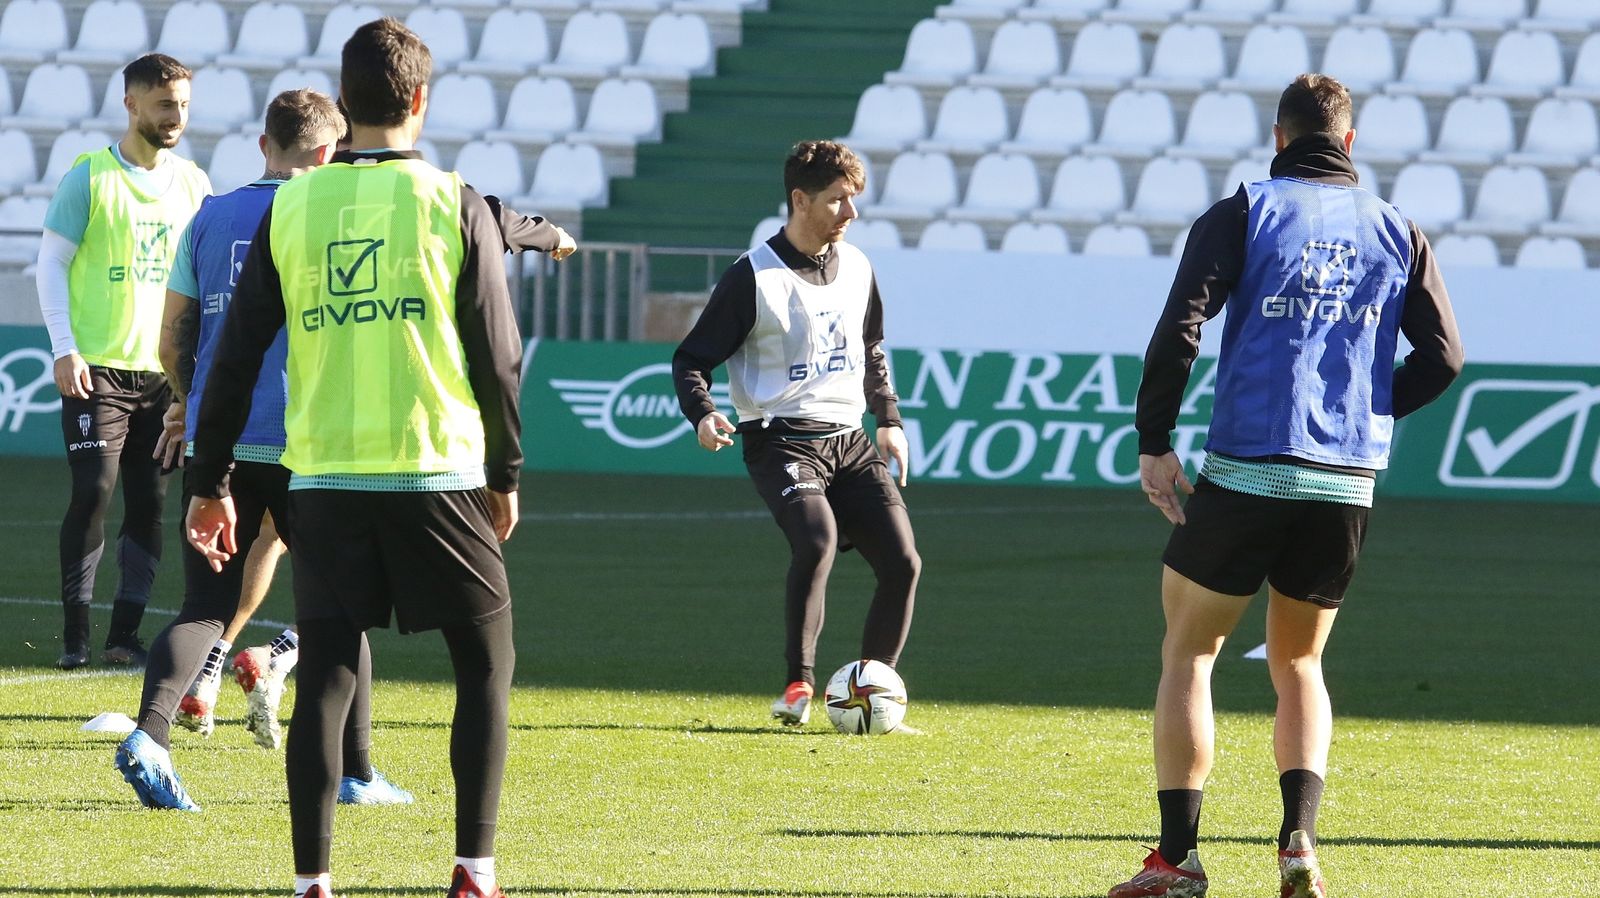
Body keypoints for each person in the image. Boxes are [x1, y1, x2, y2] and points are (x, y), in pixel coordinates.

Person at [185, 18, 523, 898]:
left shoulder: (292, 204)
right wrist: (505, 473)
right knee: (484, 665)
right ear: (419, 99)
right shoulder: (456, 201)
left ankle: (312, 881)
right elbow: (499, 354)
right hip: (436, 469)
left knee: (329, 669)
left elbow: (233, 356)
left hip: (325, 477)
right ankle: (473, 870)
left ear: (347, 105)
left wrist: (209, 480)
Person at [1111, 73, 1464, 898]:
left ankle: (1177, 858)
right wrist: (1373, 408)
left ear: (1278, 139)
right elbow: (1446, 356)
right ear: (1348, 144)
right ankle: (1298, 843)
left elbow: (1182, 327)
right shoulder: (1396, 228)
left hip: (1246, 466)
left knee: (1191, 651)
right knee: (1300, 663)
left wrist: (1155, 440)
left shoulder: (1244, 210)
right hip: (1344, 480)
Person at [166, 106, 575, 749]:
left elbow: (192, 336)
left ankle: (174, 716)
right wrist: (552, 236)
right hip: (361, 441)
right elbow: (499, 272)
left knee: (242, 578)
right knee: (373, 604)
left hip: (271, 437)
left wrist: (189, 415)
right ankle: (333, 731)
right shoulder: (428, 198)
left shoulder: (243, 212)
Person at [113, 89, 414, 814]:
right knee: (341, 607)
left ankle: (150, 736)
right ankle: (357, 773)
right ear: (324, 154)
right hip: (312, 445)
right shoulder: (328, 216)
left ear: (263, 143)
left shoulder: (210, 215)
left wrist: (190, 402)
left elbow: (171, 332)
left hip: (220, 442)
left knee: (205, 606)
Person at [671, 139, 920, 727]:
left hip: (850, 439)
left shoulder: (857, 265)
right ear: (800, 200)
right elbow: (691, 360)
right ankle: (799, 686)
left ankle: (873, 689)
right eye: (838, 201)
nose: (850, 213)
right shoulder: (751, 277)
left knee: (903, 562)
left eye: (854, 200)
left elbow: (871, 345)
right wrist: (704, 412)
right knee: (817, 541)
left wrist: (888, 420)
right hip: (781, 438)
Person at [37, 53, 211, 669]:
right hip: (96, 371)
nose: (177, 117)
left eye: (185, 105)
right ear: (131, 103)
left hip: (164, 377)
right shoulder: (89, 177)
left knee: (150, 502)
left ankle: (124, 638)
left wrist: (195, 373)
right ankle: (76, 640)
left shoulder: (194, 184)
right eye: (166, 104)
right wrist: (64, 348)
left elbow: (206, 278)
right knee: (95, 491)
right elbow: (51, 263)